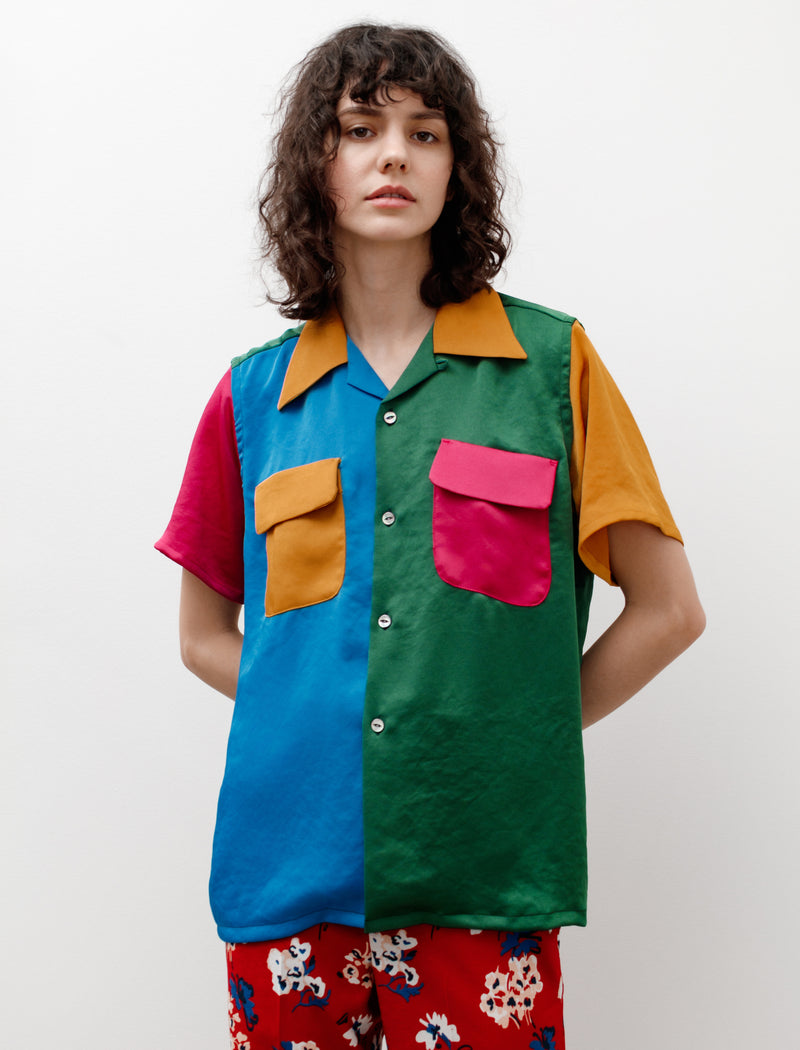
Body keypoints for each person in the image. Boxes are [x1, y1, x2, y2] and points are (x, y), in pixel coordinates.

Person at [156, 22, 705, 1050]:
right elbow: (201, 636)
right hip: (290, 867)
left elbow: (669, 610)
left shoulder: (552, 366)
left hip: (481, 869)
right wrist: (324, 712)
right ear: (315, 163)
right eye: (360, 128)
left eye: (425, 132)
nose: (394, 156)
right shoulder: (254, 399)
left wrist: (518, 729)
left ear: (459, 168)